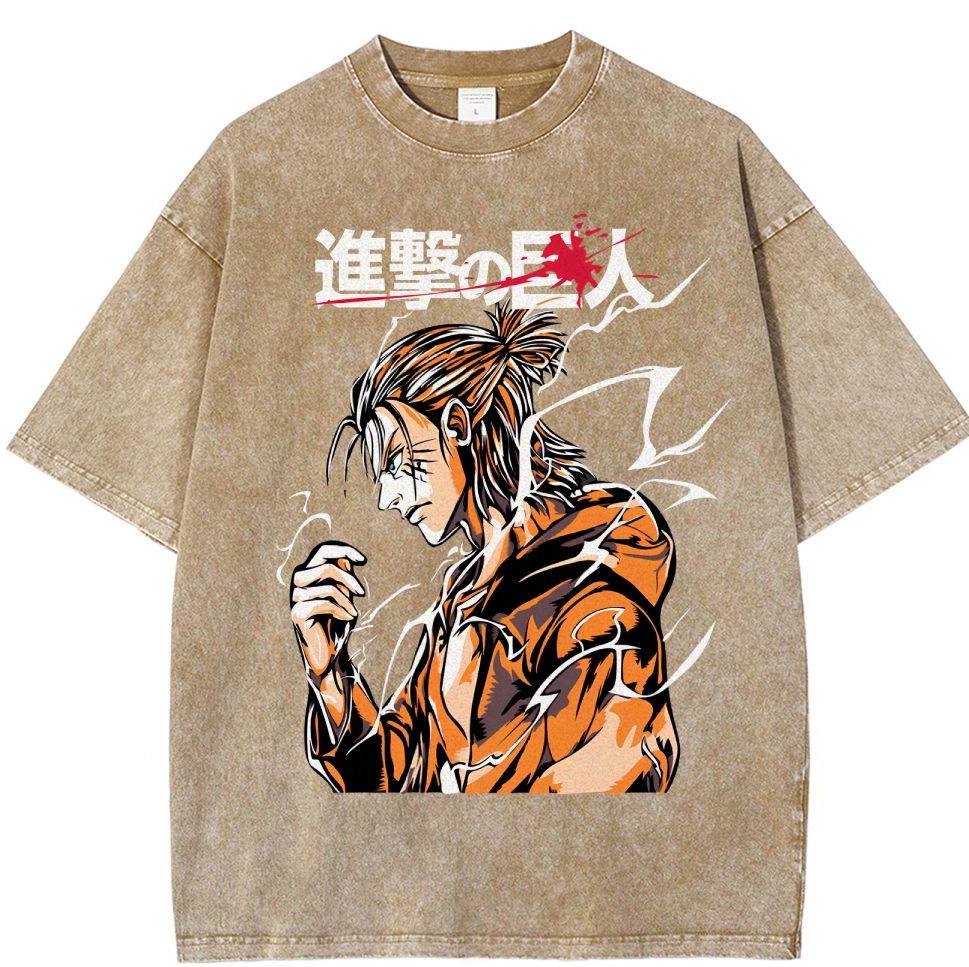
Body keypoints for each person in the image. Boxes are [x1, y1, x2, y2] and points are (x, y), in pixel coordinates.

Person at [289, 299, 679, 793]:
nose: (387, 498)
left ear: (457, 426)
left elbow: (613, 771)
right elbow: (393, 782)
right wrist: (327, 667)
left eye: (396, 461)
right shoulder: (461, 600)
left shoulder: (592, 576)